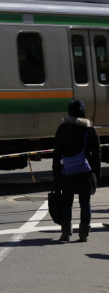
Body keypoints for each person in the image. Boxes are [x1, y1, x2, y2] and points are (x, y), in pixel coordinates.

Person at [52, 99, 101, 242]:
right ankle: (84, 233)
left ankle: (66, 232)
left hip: (67, 172)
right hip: (86, 172)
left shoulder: (63, 129)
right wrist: (96, 174)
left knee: (67, 201)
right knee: (85, 202)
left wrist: (56, 172)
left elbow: (57, 152)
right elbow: (96, 154)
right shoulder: (89, 129)